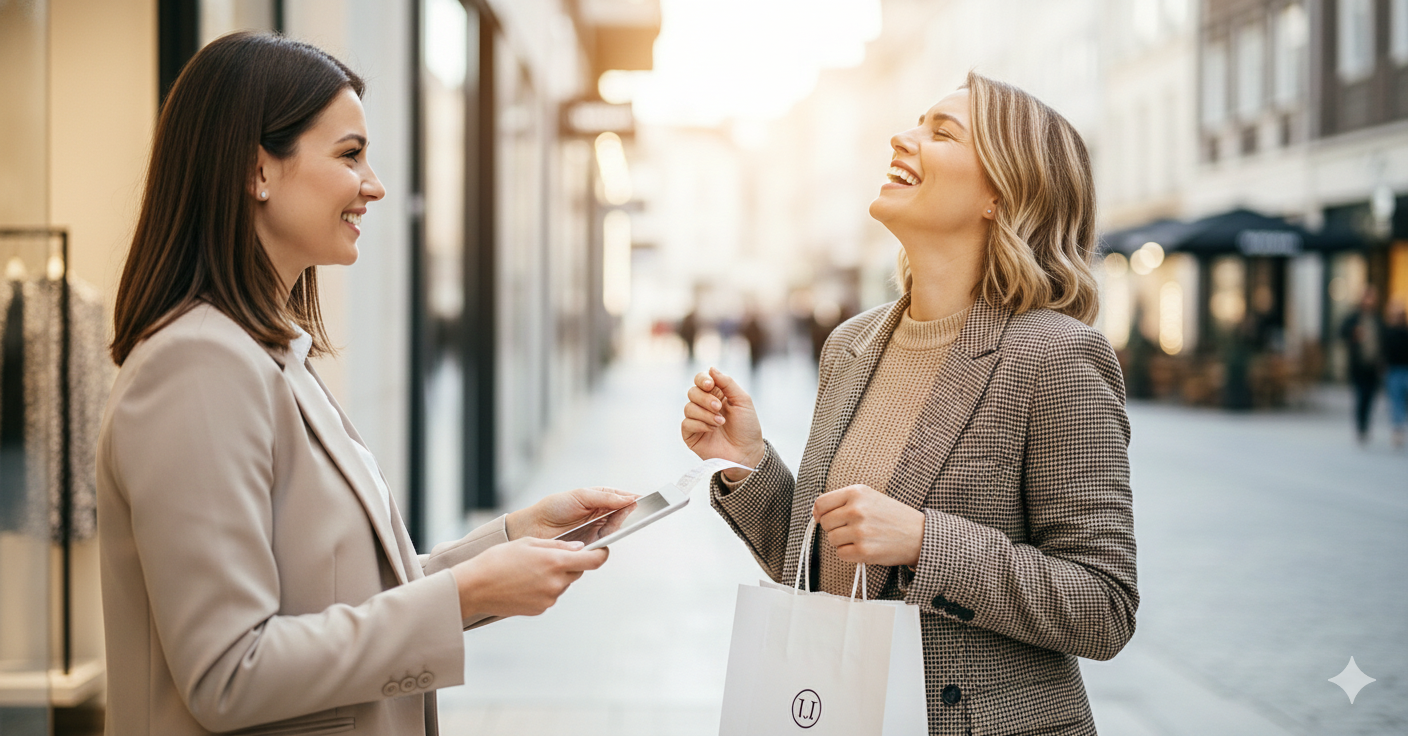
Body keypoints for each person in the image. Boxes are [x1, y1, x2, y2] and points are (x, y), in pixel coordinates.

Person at [98, 33, 630, 735]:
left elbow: (344, 592)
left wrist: (509, 541)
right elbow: (228, 672)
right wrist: (461, 599)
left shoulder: (265, 353)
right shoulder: (198, 366)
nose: (375, 184)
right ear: (257, 169)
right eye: (350, 155)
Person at [681, 72, 1136, 734]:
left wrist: (927, 543)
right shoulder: (852, 344)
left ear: (1000, 193)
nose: (902, 137)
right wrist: (748, 462)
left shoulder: (1057, 358)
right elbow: (822, 565)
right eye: (917, 121)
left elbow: (1103, 605)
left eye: (942, 131)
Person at [1340, 287, 1385, 444]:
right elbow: (1341, 331)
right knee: (1360, 395)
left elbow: (1384, 341)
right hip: (1358, 365)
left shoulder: (1377, 319)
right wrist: (1353, 332)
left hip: (1373, 365)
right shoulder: (1354, 318)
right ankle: (1360, 425)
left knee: (1370, 396)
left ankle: (1365, 424)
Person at [1383, 296, 1408, 448]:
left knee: (1402, 401)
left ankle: (1399, 426)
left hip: (1405, 369)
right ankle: (1397, 428)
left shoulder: (1405, 333)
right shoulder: (1388, 333)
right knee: (1396, 401)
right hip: (1393, 370)